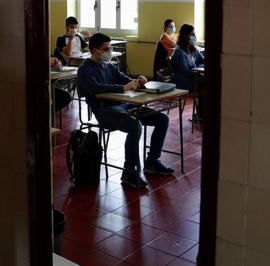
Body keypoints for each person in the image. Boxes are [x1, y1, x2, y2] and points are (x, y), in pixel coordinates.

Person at [77, 33, 174, 188]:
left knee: (162, 119)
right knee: (135, 126)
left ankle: (152, 162)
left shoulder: (108, 65)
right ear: (94, 50)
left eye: (110, 48)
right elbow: (96, 89)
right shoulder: (84, 70)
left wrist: (137, 81)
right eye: (106, 49)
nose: (109, 52)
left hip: (123, 106)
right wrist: (123, 88)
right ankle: (129, 171)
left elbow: (124, 80)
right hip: (104, 111)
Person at [171, 24, 205, 91]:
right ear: (185, 36)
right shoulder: (179, 52)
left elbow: (202, 60)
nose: (194, 37)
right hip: (186, 81)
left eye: (194, 34)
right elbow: (186, 72)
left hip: (194, 78)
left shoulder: (193, 49)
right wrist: (199, 71)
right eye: (192, 34)